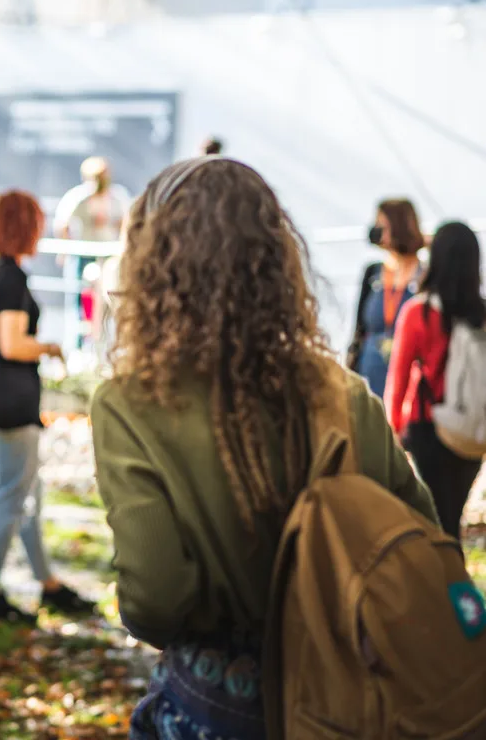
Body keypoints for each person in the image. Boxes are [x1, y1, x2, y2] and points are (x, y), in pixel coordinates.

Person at [91, 157, 437, 739]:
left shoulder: (131, 403)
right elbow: (423, 540)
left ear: (152, 265)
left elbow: (155, 599)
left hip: (214, 705)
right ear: (276, 263)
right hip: (347, 698)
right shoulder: (342, 394)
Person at [0, 190, 97, 624]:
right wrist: (51, 347)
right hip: (12, 403)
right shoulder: (11, 279)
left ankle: (48, 583)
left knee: (28, 495)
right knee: (12, 496)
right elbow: (11, 343)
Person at [385, 221, 486, 544]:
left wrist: (395, 429)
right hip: (472, 431)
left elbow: (398, 380)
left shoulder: (419, 313)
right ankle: (454, 584)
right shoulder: (481, 315)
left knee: (436, 521)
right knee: (452, 516)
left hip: (427, 427)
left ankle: (445, 588)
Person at [348, 197, 426, 398]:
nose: (376, 231)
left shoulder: (424, 274)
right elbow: (359, 328)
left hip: (408, 381)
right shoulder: (373, 273)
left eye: (382, 225)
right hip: (369, 376)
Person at [53, 157, 131, 353]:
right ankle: (77, 349)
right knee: (79, 303)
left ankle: (107, 349)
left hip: (109, 258)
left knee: (109, 303)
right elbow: (62, 224)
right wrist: (65, 249)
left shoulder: (117, 197)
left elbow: (126, 223)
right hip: (82, 256)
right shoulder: (78, 197)